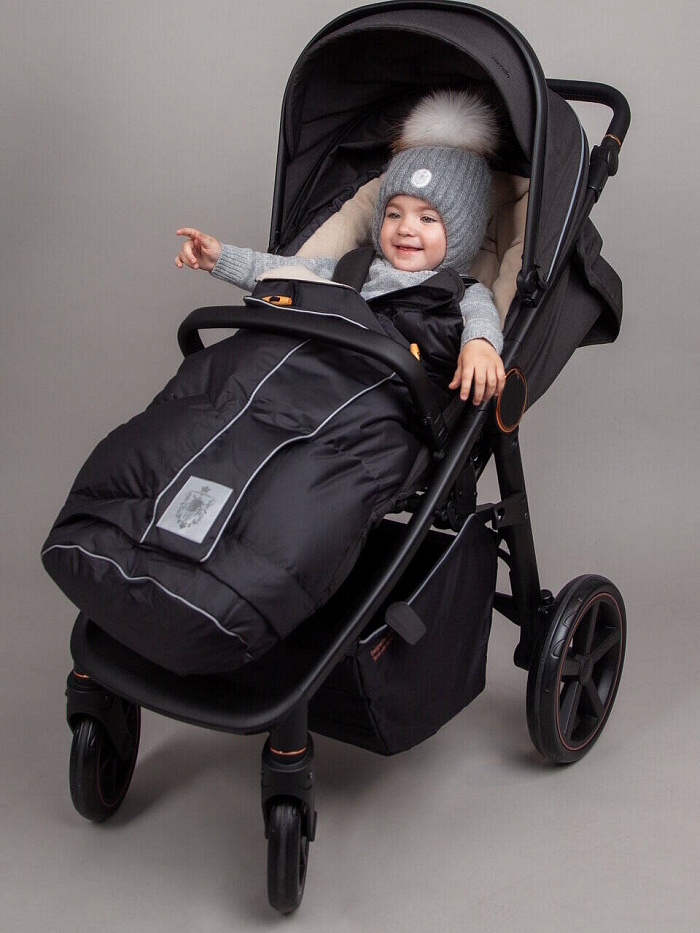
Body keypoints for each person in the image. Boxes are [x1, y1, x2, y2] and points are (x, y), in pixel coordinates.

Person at [175, 90, 506, 405]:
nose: (405, 228)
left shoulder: (461, 291)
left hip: (380, 389)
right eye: (393, 214)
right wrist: (219, 258)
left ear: (462, 231)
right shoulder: (355, 267)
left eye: (427, 219)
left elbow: (482, 320)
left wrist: (480, 346)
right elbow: (281, 273)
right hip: (314, 370)